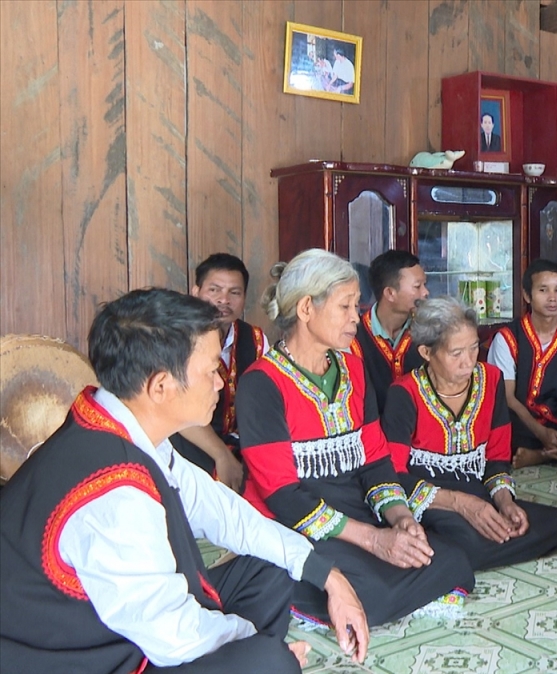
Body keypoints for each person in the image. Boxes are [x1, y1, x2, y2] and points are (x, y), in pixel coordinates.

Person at [0, 288, 369, 673]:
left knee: (270, 569)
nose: (221, 384)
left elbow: (222, 512)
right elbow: (174, 634)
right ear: (161, 387)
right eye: (211, 371)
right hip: (73, 655)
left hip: (114, 622)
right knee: (269, 662)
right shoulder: (115, 497)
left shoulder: (119, 425)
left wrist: (326, 574)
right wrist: (254, 644)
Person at [237, 249, 474, 627]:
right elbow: (281, 495)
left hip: (354, 510)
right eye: (346, 307)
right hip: (293, 522)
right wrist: (372, 540)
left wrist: (399, 519)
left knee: (452, 558)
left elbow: (375, 459)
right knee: (367, 589)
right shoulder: (261, 384)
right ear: (305, 309)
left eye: (356, 306)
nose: (355, 318)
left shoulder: (352, 368)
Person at [381, 297, 557, 570]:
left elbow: (497, 457)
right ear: (427, 352)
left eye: (474, 348)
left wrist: (505, 502)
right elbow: (392, 475)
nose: (468, 362)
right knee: (469, 542)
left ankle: (465, 551)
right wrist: (462, 504)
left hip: (478, 493)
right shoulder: (404, 393)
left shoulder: (491, 380)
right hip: (431, 501)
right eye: (456, 353)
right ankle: (468, 550)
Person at [171, 253, 269, 491]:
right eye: (214, 290)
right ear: (195, 292)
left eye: (234, 293)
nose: (224, 300)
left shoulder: (255, 339)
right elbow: (176, 410)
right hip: (186, 443)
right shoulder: (176, 340)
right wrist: (222, 456)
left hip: (241, 444)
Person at [489, 259, 557, 468]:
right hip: (520, 419)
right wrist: (541, 432)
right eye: (543, 290)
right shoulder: (508, 337)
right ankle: (555, 452)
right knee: (498, 423)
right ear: (527, 295)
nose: (552, 298)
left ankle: (540, 455)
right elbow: (507, 396)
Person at [351, 250, 430, 412]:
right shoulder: (353, 337)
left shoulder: (428, 332)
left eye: (425, 285)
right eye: (417, 286)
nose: (425, 292)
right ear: (390, 293)